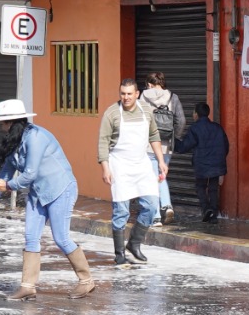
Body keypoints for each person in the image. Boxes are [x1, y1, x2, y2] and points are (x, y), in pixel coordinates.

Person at [0, 97, 96, 300]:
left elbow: (29, 175)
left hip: (60, 189)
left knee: (61, 238)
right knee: (31, 237)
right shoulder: (14, 141)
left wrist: (8, 186)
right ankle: (27, 286)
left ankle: (86, 281)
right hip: (38, 193)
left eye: (3, 123)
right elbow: (7, 171)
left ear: (13, 123)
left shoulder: (36, 137)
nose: (1, 127)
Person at [96, 77, 166, 265]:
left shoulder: (147, 110)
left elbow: (154, 135)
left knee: (151, 206)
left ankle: (134, 244)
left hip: (141, 163)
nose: (125, 97)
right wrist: (105, 168)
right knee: (121, 211)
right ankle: (119, 254)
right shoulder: (112, 113)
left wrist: (161, 160)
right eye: (122, 94)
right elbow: (103, 142)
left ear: (137, 94)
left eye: (129, 94)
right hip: (119, 164)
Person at [141, 71, 187, 224]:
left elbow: (139, 120)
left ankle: (155, 216)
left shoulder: (144, 96)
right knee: (161, 176)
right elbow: (181, 121)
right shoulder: (173, 97)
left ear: (149, 84)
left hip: (148, 145)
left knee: (152, 179)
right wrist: (175, 137)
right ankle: (166, 206)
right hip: (166, 145)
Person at [174, 99, 230, 223]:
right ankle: (213, 214)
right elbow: (225, 146)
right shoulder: (218, 128)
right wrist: (220, 159)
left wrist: (173, 140)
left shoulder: (195, 128)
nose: (193, 115)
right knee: (213, 189)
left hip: (202, 165)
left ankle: (206, 209)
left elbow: (184, 146)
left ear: (196, 114)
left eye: (193, 112)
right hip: (216, 165)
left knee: (200, 187)